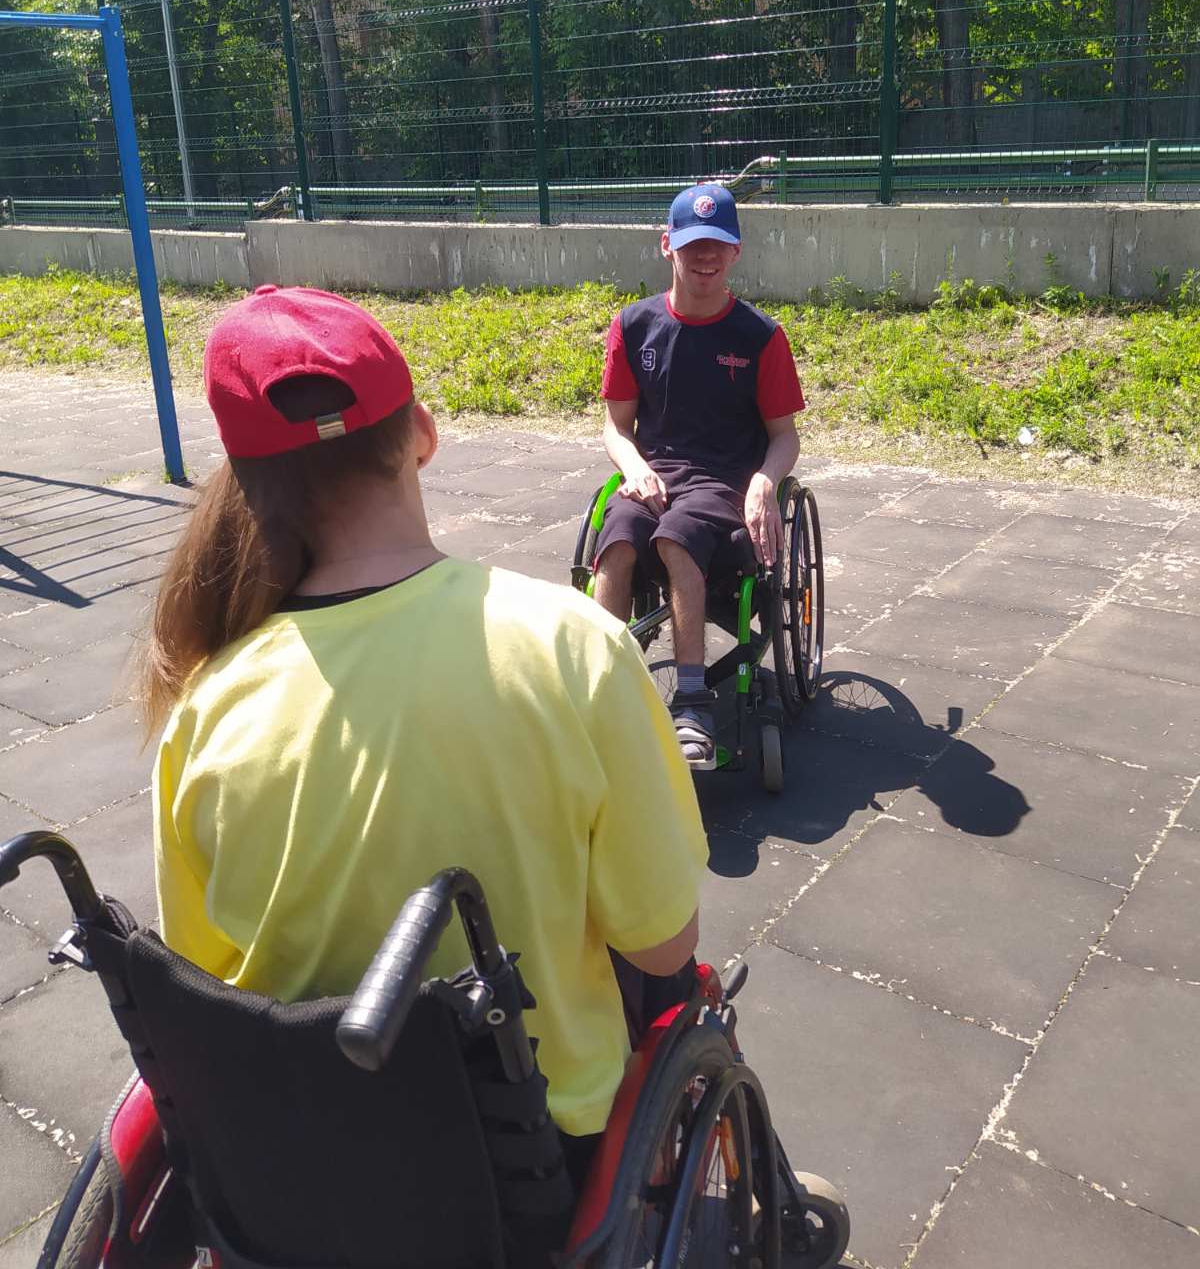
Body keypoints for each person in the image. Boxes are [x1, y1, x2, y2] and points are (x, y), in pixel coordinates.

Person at [142, 283, 707, 1171]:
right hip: (536, 1160)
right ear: (423, 434)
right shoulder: (574, 646)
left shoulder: (208, 704)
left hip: (303, 1167)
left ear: (247, 485)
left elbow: (205, 973)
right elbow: (664, 943)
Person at [595, 183, 806, 769]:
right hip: (655, 474)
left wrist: (765, 480)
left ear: (735, 250)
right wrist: (635, 467)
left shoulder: (761, 336)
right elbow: (616, 427)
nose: (705, 256)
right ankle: (601, 689)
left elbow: (784, 435)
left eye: (717, 244)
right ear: (667, 245)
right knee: (617, 538)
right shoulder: (634, 325)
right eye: (692, 244)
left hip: (722, 481)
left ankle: (692, 703)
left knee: (676, 537)